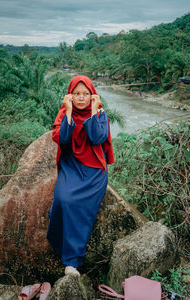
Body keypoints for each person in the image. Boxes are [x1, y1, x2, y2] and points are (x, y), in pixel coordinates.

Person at [47, 75, 114, 276]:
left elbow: (97, 138)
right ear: (70, 96)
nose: (81, 98)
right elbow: (62, 139)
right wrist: (68, 113)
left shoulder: (100, 113)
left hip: (94, 170)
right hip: (71, 165)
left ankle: (72, 261)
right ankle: (58, 242)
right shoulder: (63, 114)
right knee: (62, 199)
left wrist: (93, 112)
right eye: (77, 94)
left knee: (78, 206)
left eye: (86, 94)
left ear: (93, 96)